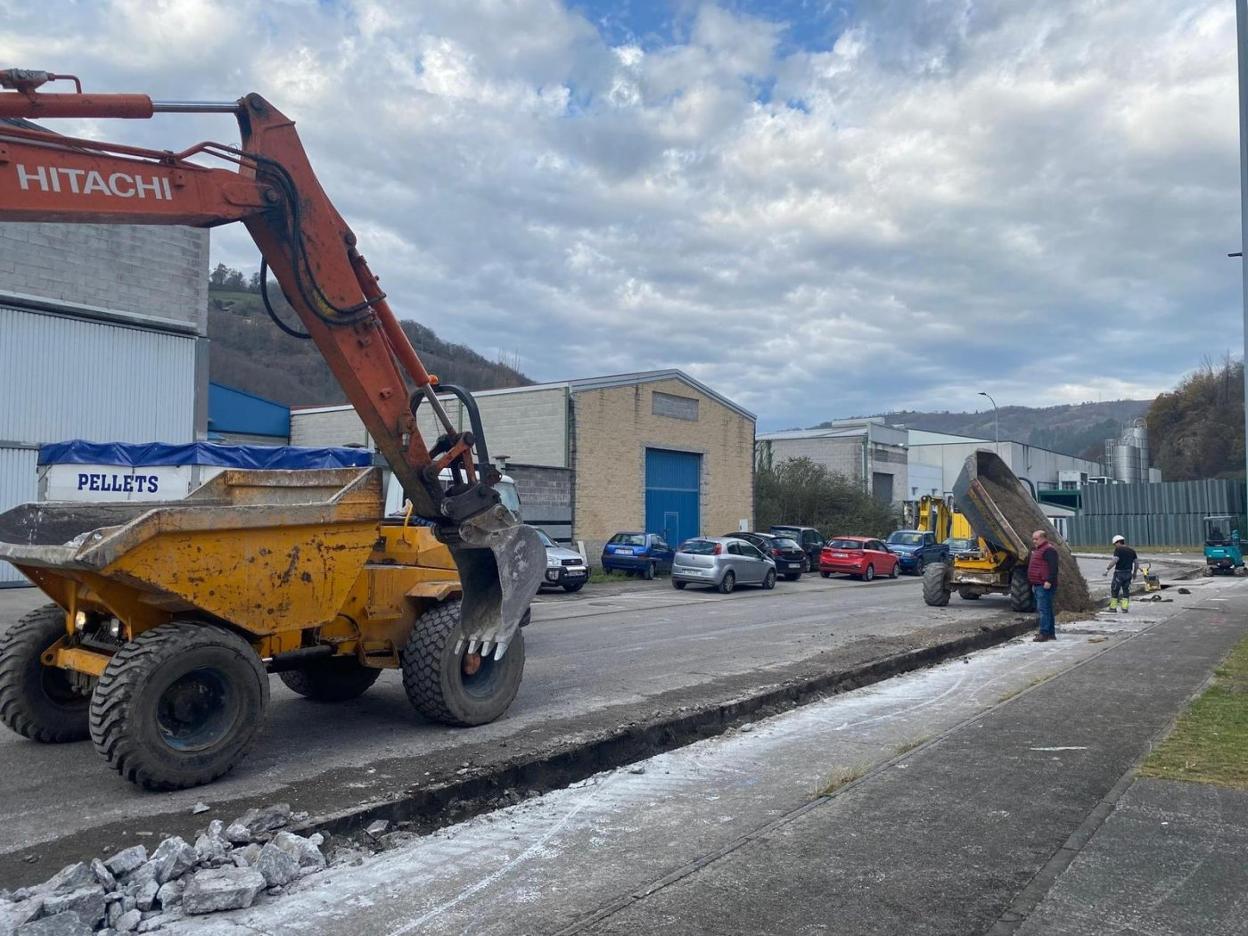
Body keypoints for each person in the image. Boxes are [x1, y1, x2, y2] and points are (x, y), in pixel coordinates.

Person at [1028, 530, 1058, 642]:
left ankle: (1044, 633)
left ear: (1043, 538)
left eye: (1036, 539)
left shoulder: (1049, 550)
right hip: (1038, 584)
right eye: (1033, 539)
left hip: (1044, 584)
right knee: (1047, 609)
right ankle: (1050, 633)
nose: (1034, 541)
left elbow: (1054, 567)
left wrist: (1049, 581)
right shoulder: (1039, 550)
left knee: (1043, 610)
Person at [1104, 534, 1138, 613]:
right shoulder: (1132, 550)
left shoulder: (1118, 550)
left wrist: (1107, 569)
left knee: (1115, 590)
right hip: (1128, 573)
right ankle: (1125, 608)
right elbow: (1136, 563)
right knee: (1126, 591)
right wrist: (1135, 573)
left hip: (1119, 574)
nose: (1115, 546)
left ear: (1118, 542)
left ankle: (1113, 608)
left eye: (1115, 544)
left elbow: (1114, 560)